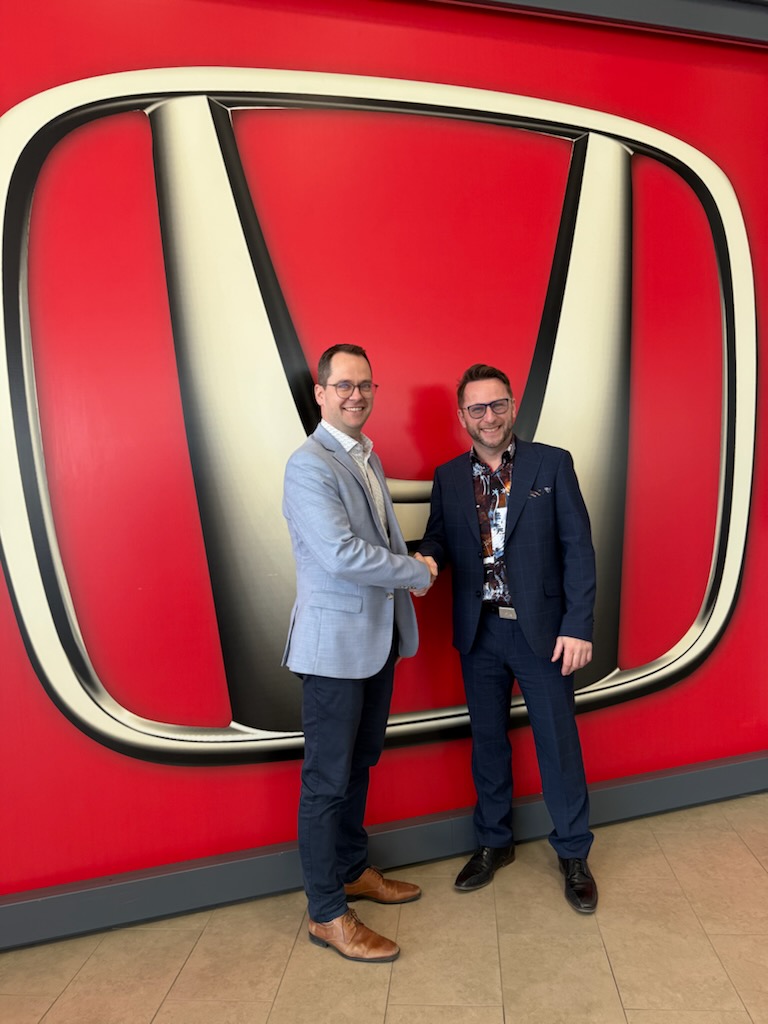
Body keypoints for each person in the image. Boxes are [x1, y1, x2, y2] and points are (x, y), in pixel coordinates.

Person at [417, 363, 598, 913]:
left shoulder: (552, 463)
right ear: (463, 416)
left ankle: (573, 853)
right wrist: (425, 561)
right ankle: (494, 842)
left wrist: (577, 625)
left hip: (543, 634)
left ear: (513, 406)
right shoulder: (449, 477)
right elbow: (439, 538)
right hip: (480, 632)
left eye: (498, 405)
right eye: (477, 408)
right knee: (489, 743)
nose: (489, 417)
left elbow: (578, 549)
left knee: (558, 744)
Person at [282, 343, 435, 962]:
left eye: (365, 385)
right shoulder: (309, 465)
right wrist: (416, 571)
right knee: (326, 782)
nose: (356, 395)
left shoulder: (365, 454)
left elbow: (374, 540)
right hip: (333, 652)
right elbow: (342, 554)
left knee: (359, 764)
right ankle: (326, 913)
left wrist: (409, 563)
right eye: (343, 385)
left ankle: (350, 871)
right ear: (320, 393)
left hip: (375, 643)